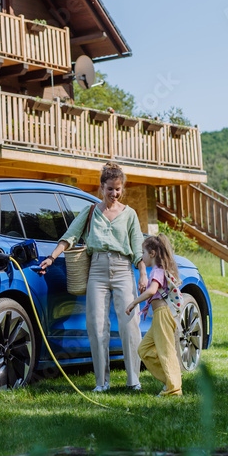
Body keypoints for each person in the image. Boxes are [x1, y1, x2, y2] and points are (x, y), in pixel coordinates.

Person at [39, 162, 147, 392]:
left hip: (123, 269)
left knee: (130, 324)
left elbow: (137, 246)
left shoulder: (130, 214)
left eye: (118, 189)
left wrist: (143, 273)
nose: (114, 194)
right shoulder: (90, 212)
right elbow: (70, 237)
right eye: (110, 189)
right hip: (96, 270)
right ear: (101, 188)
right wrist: (51, 257)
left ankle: (133, 380)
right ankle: (102, 382)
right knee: (96, 325)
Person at [126, 235, 183, 397]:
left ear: (152, 253)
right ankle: (171, 381)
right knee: (143, 350)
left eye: (143, 253)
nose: (141, 257)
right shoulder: (157, 269)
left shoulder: (157, 270)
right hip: (159, 315)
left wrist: (133, 303)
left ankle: (173, 389)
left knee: (166, 351)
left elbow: (152, 290)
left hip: (163, 314)